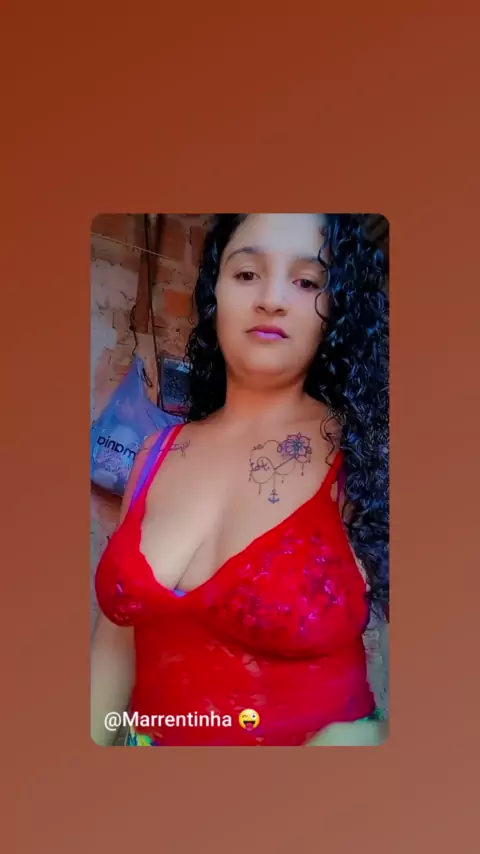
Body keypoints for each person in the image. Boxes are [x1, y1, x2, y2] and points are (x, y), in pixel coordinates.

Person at [91, 213, 389, 747]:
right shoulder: (156, 454)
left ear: (337, 307)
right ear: (216, 293)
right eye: (247, 273)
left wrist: (374, 741)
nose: (271, 299)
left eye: (307, 281)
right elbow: (115, 647)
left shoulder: (367, 457)